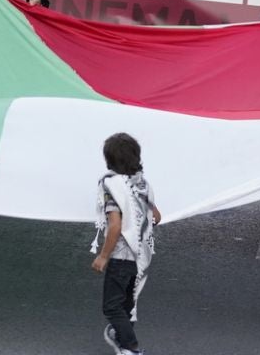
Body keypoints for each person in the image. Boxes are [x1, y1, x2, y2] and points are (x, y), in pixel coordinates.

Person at [91, 132, 161, 355]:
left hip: (121, 257)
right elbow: (156, 216)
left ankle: (131, 347)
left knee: (111, 306)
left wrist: (103, 256)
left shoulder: (111, 186)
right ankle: (123, 340)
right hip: (140, 258)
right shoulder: (142, 184)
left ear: (108, 160)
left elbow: (115, 226)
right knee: (127, 305)